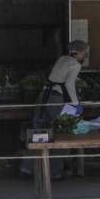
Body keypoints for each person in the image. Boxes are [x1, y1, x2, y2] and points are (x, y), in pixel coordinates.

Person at [24, 40, 88, 180]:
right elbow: (69, 84)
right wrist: (76, 103)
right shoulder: (76, 64)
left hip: (43, 96)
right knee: (60, 133)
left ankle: (27, 169)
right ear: (80, 52)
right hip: (55, 99)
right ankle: (55, 173)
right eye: (84, 53)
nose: (85, 56)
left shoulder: (62, 58)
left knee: (38, 133)